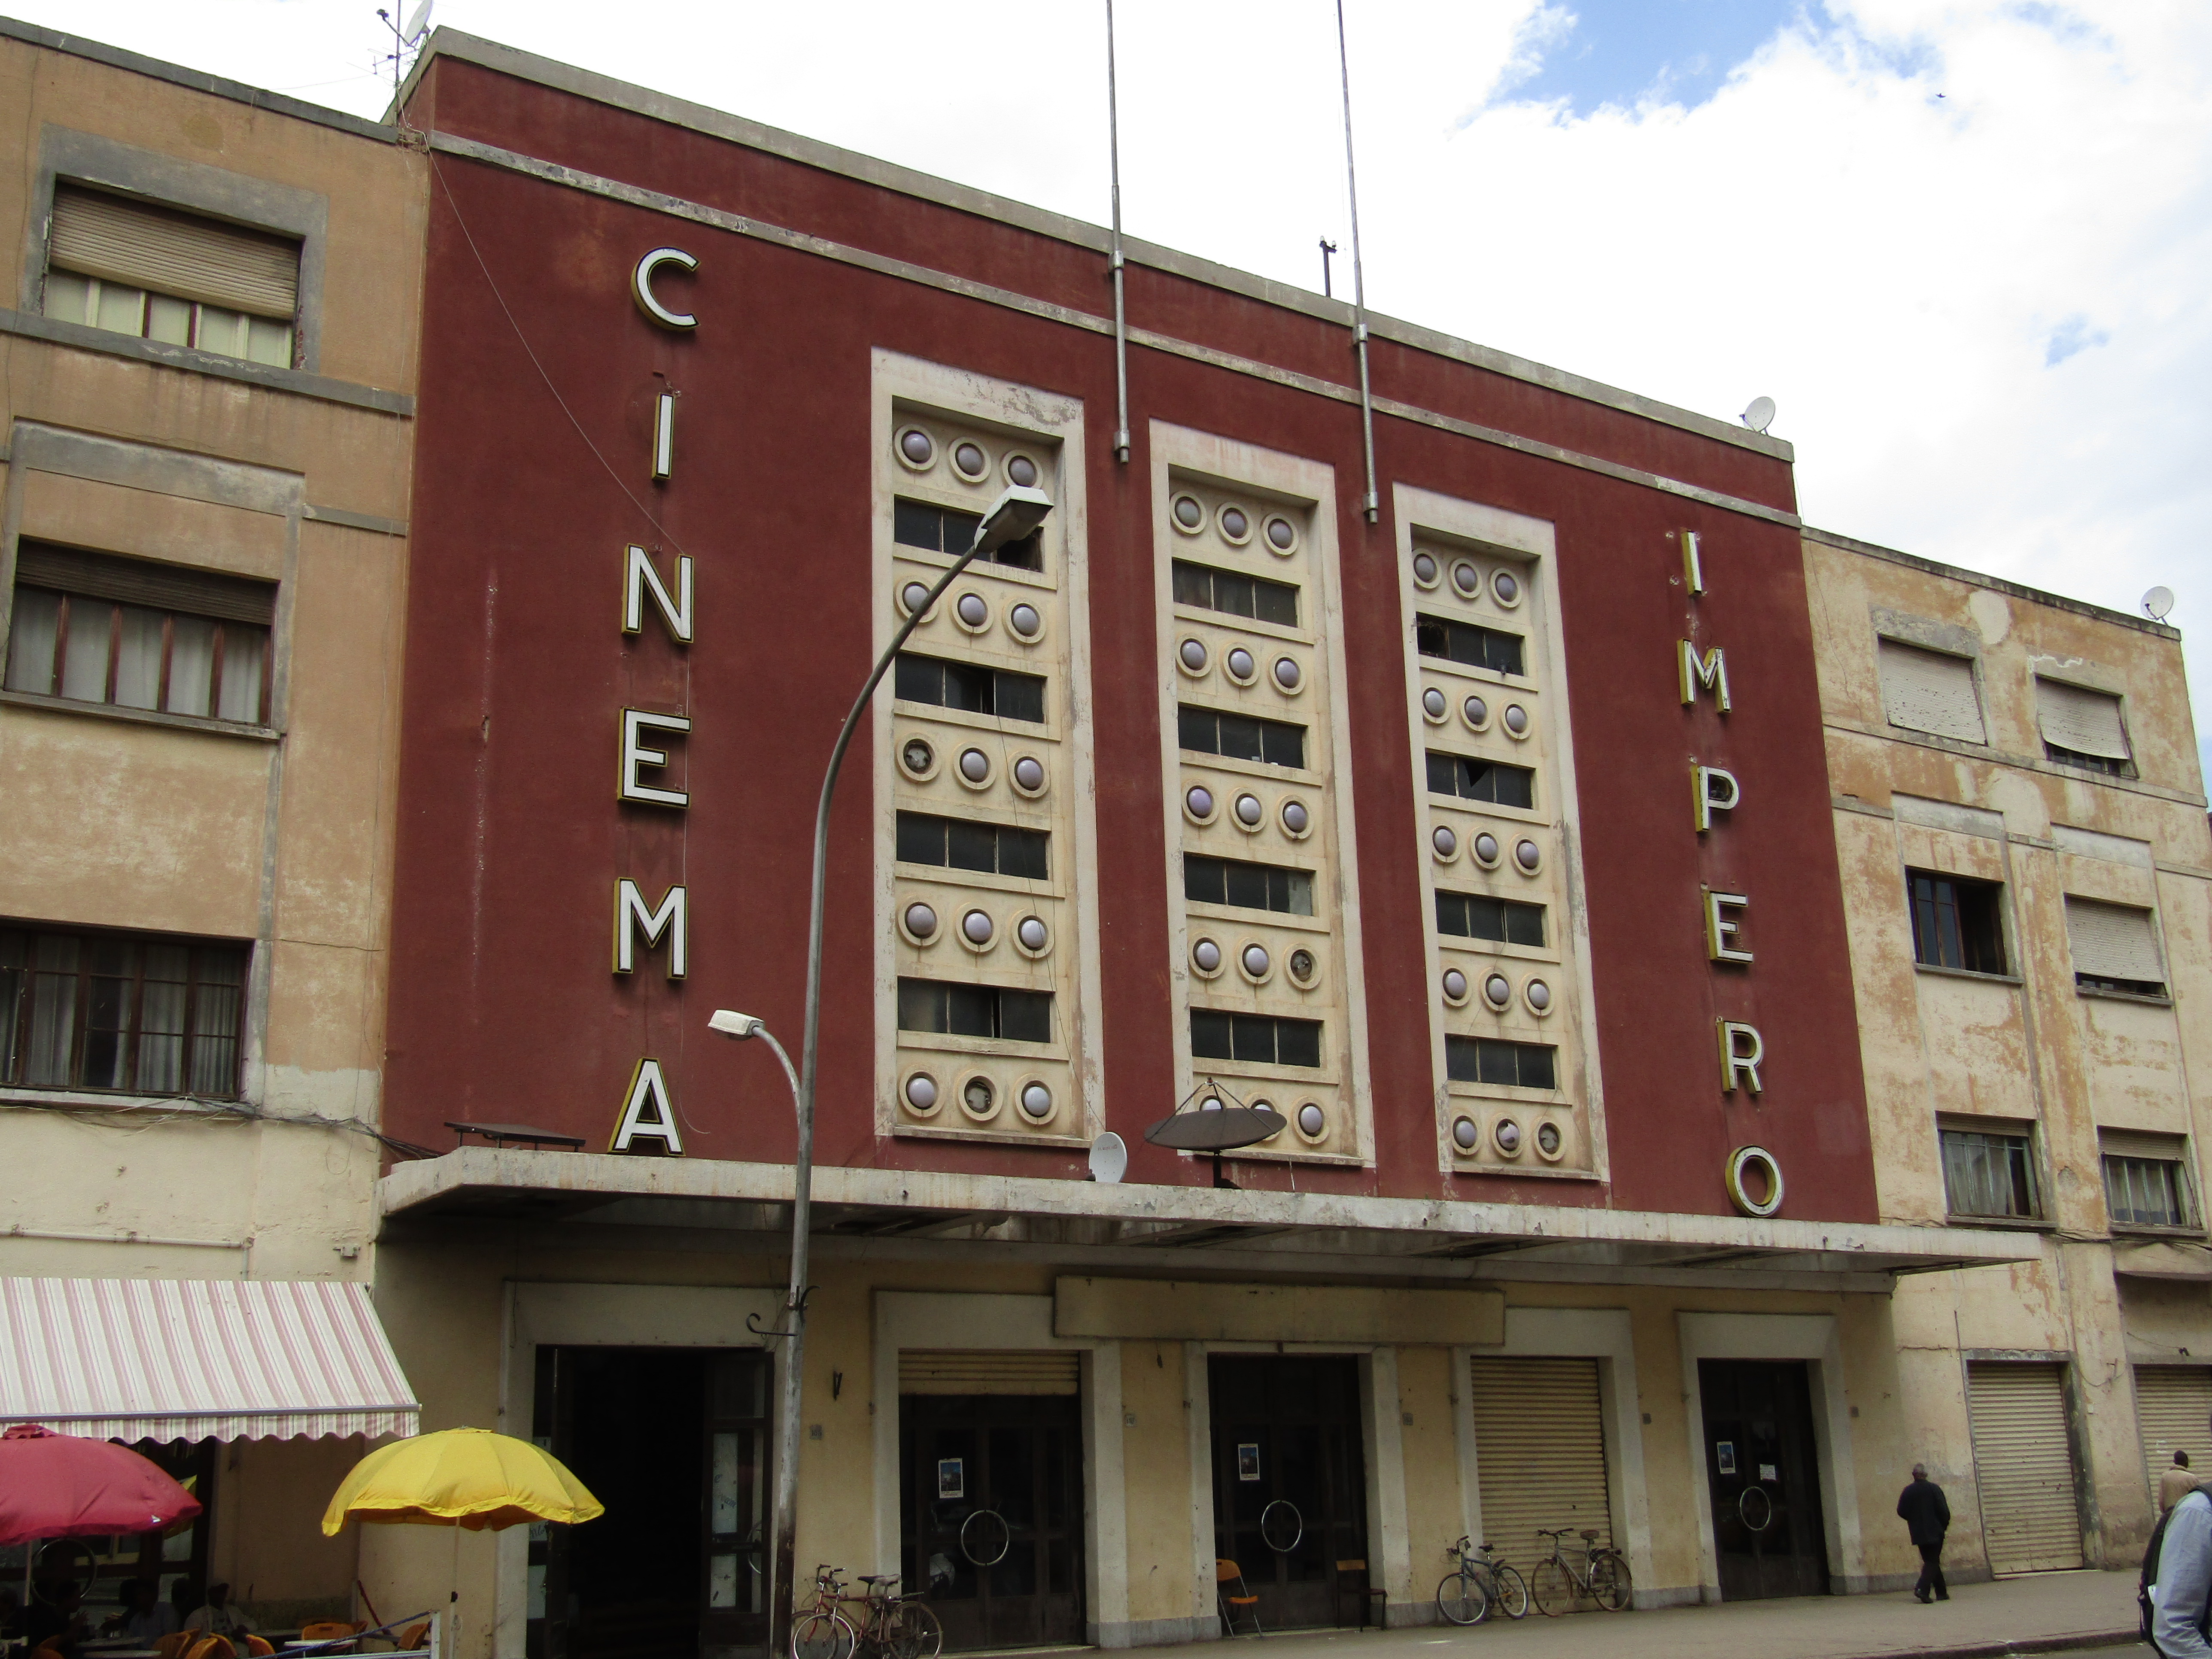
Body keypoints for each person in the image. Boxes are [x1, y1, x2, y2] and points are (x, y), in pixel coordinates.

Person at [1897, 1462, 1951, 1603]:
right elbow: (1944, 1511)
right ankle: (1922, 1589)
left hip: (1918, 1532)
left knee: (1931, 1561)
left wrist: (1914, 1520)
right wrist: (1943, 1526)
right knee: (1932, 1561)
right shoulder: (1934, 1489)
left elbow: (1901, 1511)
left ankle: (1941, 1592)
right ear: (1926, 1475)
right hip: (1935, 1531)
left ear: (1914, 1475)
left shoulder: (1908, 1491)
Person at [106, 1580, 178, 1644]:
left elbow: (170, 1638)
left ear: (152, 1594)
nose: (138, 1598)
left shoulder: (166, 1610)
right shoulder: (136, 1619)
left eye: (141, 1594)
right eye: (136, 1595)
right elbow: (131, 1642)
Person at [182, 1584, 255, 1641]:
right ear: (210, 1593)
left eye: (223, 1592)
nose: (220, 1596)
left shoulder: (233, 1611)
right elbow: (189, 1638)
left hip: (232, 1645)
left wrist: (242, 1628)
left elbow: (253, 1624)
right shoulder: (198, 1615)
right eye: (217, 1592)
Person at [2166, 1452, 2200, 1516]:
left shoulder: (2165, 1477)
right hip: (2187, 1515)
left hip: (2170, 1516)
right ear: (2186, 1462)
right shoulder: (2191, 1478)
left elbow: (2161, 1501)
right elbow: (2198, 1499)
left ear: (2174, 1462)